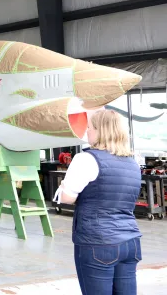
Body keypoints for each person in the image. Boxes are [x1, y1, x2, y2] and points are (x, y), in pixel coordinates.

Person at [55, 110, 142, 295]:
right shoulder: (132, 164)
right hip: (130, 242)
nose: (87, 132)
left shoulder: (86, 159)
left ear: (101, 131)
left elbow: (66, 198)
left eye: (90, 127)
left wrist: (63, 186)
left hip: (97, 243)